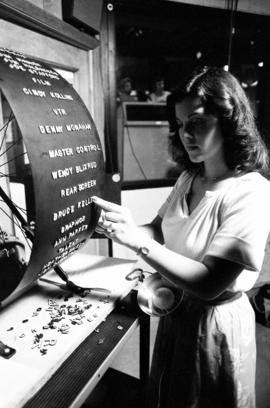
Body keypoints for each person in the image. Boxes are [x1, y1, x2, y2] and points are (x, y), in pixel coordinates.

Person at [93, 66, 270, 408]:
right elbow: (159, 229)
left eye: (197, 122)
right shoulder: (190, 177)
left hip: (216, 323)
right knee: (172, 394)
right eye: (179, 124)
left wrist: (137, 242)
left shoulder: (252, 192)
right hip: (178, 310)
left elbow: (208, 283)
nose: (185, 134)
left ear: (230, 119)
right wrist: (120, 225)